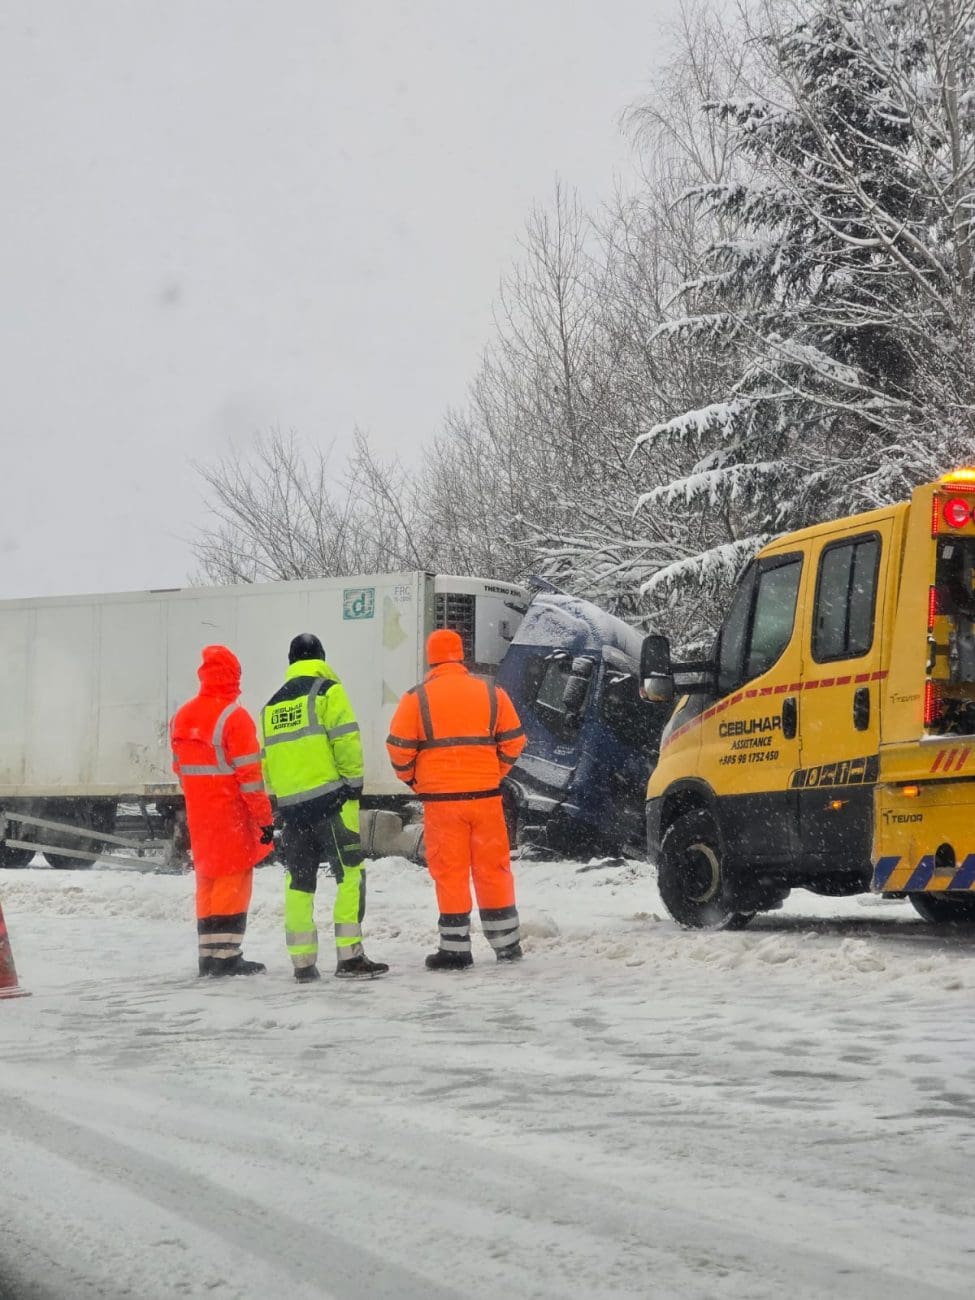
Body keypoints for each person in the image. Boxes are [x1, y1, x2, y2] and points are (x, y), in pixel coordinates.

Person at [386, 628, 527, 970]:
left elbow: (398, 749)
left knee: (450, 872)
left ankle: (455, 949)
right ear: (461, 656)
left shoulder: (416, 699)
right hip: (485, 799)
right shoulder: (491, 692)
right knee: (493, 869)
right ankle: (507, 945)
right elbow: (515, 740)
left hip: (442, 803)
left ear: (431, 659)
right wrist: (492, 772)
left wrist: (416, 780)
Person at [261, 633, 388, 982]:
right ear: (321, 657)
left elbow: (266, 762)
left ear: (291, 662)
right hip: (331, 803)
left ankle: (303, 963)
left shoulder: (270, 706)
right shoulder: (328, 691)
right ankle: (350, 957)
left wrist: (284, 797)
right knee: (349, 874)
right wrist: (353, 783)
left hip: (292, 810)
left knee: (299, 882)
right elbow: (345, 739)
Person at [170, 645, 274, 977]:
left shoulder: (182, 716)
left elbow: (179, 769)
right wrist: (264, 819)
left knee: (207, 881)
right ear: (233, 676)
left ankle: (208, 955)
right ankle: (226, 956)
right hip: (231, 816)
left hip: (200, 815)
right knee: (233, 880)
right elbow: (250, 779)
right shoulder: (234, 717)